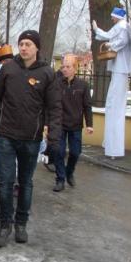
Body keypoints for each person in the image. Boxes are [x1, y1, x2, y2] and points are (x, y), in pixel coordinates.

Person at [0, 30, 62, 248]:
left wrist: (54, 138)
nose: (24, 48)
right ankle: (4, 224)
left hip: (31, 138)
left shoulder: (47, 73)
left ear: (37, 47)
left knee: (26, 183)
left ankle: (21, 224)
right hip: (6, 135)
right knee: (6, 182)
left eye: (28, 44)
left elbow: (55, 108)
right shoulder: (8, 69)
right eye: (21, 44)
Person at [92, 7, 131, 158]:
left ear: (117, 16)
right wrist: (98, 31)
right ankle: (110, 145)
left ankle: (114, 148)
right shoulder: (120, 26)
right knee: (111, 105)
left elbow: (121, 41)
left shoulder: (123, 27)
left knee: (115, 106)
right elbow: (109, 36)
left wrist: (110, 44)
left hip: (121, 69)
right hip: (118, 69)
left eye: (113, 16)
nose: (111, 19)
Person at [41, 54, 93, 192]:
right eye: (63, 66)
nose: (64, 69)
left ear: (75, 68)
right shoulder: (56, 84)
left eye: (68, 67)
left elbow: (87, 106)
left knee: (75, 152)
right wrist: (46, 123)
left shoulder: (83, 85)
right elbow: (49, 105)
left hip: (75, 125)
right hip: (59, 124)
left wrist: (89, 124)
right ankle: (60, 179)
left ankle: (69, 172)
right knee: (58, 151)